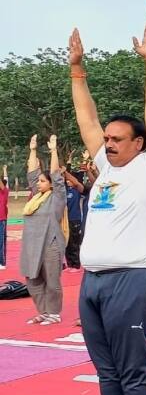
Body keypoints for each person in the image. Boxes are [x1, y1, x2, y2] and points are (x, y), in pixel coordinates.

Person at [70, 23, 146, 395]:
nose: (108, 144)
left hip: (132, 279)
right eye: (107, 139)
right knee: (106, 371)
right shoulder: (107, 170)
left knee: (132, 371)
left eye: (117, 139)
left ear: (139, 144)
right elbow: (87, 118)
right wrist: (77, 72)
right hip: (93, 281)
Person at [22, 134, 67, 325]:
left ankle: (54, 313)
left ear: (50, 184)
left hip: (51, 243)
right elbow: (32, 173)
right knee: (32, 280)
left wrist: (54, 151)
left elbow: (56, 176)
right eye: (38, 181)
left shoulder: (56, 197)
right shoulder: (35, 198)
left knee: (52, 280)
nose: (38, 183)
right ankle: (43, 312)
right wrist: (32, 150)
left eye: (42, 181)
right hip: (31, 245)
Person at [63, 168, 85, 270]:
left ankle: (76, 265)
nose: (68, 181)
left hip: (74, 219)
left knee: (74, 243)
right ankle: (69, 263)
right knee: (67, 242)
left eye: (69, 180)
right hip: (66, 220)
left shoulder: (77, 191)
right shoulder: (65, 190)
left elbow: (77, 180)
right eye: (67, 180)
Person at [0, 165, 9, 270]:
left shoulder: (4, 192)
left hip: (1, 219)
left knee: (1, 242)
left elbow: (5, 181)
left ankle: (2, 262)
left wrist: (4, 170)